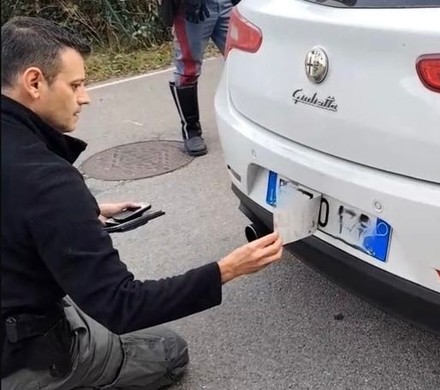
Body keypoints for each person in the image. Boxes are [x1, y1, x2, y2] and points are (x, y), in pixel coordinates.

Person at [1, 16, 282, 390]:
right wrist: (227, 269)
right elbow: (122, 306)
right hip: (23, 354)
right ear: (34, 82)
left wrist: (84, 213)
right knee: (167, 351)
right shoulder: (47, 182)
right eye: (76, 85)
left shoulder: (28, 175)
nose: (86, 97)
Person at [161, 0, 240, 156]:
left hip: (229, 5)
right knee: (187, 70)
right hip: (191, 8)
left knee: (243, 61)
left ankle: (246, 124)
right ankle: (191, 131)